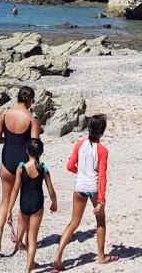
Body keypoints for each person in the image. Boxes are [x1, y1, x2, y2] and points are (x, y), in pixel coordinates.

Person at [52, 114, 117, 270]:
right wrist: (101, 201)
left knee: (73, 222)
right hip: (94, 188)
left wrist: (80, 172)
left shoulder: (79, 145)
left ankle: (58, 256)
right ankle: (101, 256)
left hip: (80, 187)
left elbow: (69, 166)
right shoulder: (103, 150)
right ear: (102, 132)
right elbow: (102, 177)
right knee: (100, 221)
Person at [0, 85, 41, 252]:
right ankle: (19, 242)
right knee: (24, 203)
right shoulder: (32, 118)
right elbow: (34, 144)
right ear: (31, 100)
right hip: (23, 162)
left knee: (5, 199)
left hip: (7, 159)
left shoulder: (4, 114)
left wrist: (9, 141)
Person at [2, 138, 58, 273]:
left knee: (27, 234)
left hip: (24, 204)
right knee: (32, 239)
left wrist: (9, 210)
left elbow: (15, 190)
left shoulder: (21, 168)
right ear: (41, 152)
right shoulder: (43, 168)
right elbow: (51, 190)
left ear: (27, 151)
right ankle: (28, 268)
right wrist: (54, 203)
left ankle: (30, 263)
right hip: (37, 204)